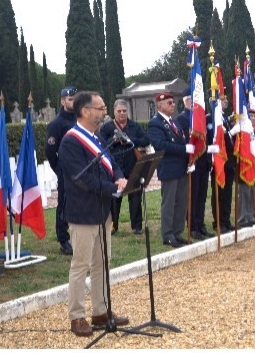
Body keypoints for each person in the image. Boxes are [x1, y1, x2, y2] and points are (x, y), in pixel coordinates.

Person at [58, 91, 129, 337]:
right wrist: (113, 189)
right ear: (86, 111)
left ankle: (101, 311)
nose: (104, 110)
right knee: (81, 265)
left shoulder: (97, 137)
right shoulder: (70, 141)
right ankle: (77, 316)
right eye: (100, 107)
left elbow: (111, 162)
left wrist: (119, 177)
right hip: (83, 213)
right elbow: (83, 179)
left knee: (102, 263)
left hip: (102, 212)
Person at [147, 92, 194, 248]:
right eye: (169, 102)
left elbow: (181, 139)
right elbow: (161, 145)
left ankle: (177, 232)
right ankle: (167, 234)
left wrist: (189, 158)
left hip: (181, 167)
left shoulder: (174, 122)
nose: (173, 105)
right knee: (169, 202)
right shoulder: (156, 123)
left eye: (173, 102)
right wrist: (183, 149)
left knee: (181, 202)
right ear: (160, 106)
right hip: (168, 167)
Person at [99, 99, 150, 235]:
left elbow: (146, 139)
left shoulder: (135, 126)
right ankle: (113, 226)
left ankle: (137, 226)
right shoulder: (107, 127)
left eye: (124, 111)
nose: (122, 114)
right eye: (119, 111)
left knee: (135, 197)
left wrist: (131, 140)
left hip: (132, 166)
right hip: (115, 169)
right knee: (114, 199)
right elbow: (101, 143)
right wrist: (114, 140)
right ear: (114, 112)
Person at [176, 95, 215, 240]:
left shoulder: (201, 117)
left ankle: (200, 224)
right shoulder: (182, 119)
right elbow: (187, 140)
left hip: (203, 161)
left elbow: (207, 137)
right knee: (193, 196)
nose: (193, 104)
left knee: (202, 196)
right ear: (185, 101)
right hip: (193, 162)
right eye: (190, 101)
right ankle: (192, 226)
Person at [46, 85, 77, 255]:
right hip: (66, 171)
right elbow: (50, 151)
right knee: (64, 204)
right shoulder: (56, 124)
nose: (73, 101)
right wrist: (59, 169)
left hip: (82, 169)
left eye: (75, 98)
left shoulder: (80, 119)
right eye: (70, 99)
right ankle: (63, 239)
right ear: (63, 101)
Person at [209, 93, 236, 233]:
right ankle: (218, 222)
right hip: (219, 161)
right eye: (223, 99)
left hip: (229, 161)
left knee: (227, 193)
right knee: (218, 193)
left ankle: (226, 220)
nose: (226, 101)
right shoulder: (211, 118)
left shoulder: (224, 118)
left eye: (226, 98)